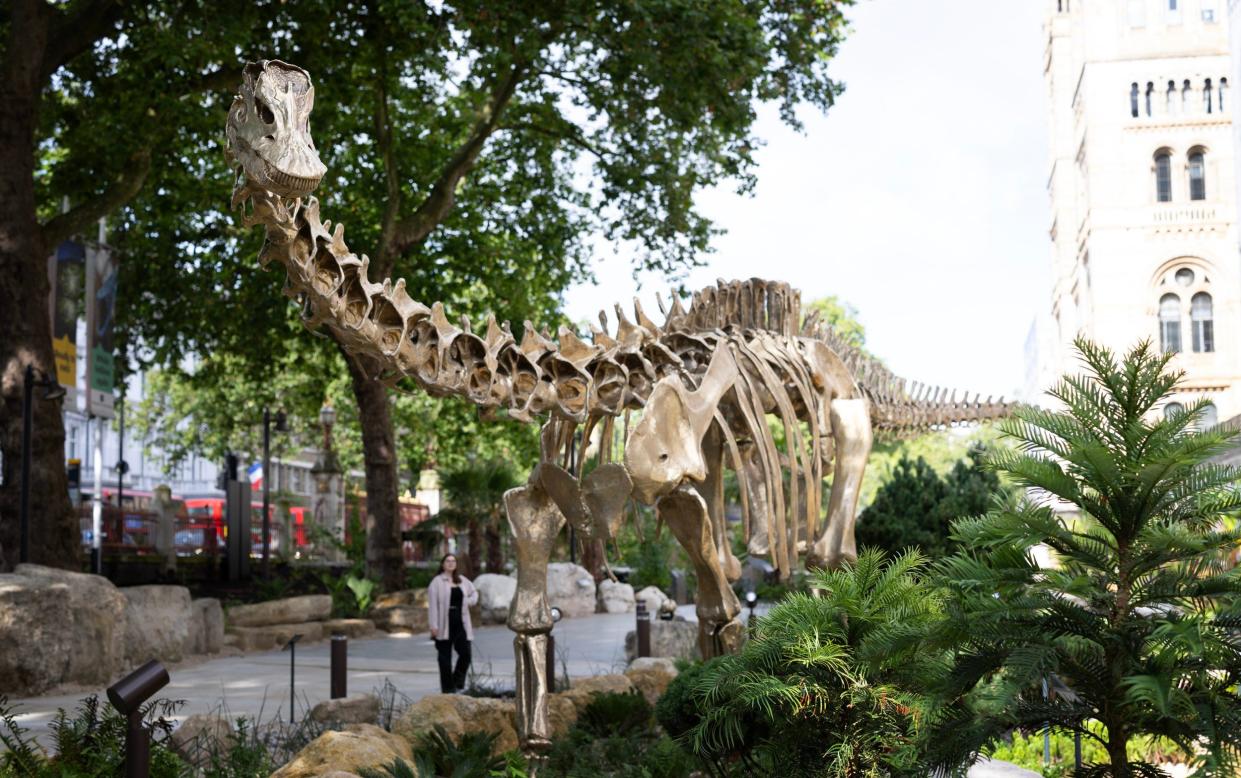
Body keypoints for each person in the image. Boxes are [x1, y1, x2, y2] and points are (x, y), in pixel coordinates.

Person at [427, 553, 479, 693]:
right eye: (447, 561)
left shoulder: (462, 580)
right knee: (445, 659)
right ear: (443, 564)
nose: (451, 563)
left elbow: (474, 593)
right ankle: (447, 689)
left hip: (460, 622)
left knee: (466, 654)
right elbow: (433, 606)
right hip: (443, 623)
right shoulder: (436, 582)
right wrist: (433, 626)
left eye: (453, 561)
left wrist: (468, 601)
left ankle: (457, 682)